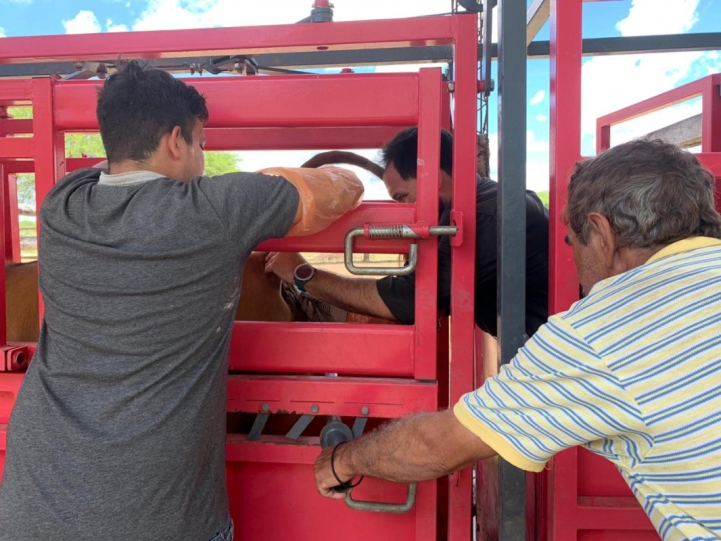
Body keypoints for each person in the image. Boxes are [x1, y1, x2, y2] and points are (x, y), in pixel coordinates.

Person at [0, 62, 363, 541]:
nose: (202, 161)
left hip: (30, 510)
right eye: (201, 145)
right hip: (162, 523)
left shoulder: (62, 207)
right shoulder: (215, 211)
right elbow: (342, 185)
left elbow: (99, 170)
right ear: (176, 141)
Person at [313, 139, 721, 541]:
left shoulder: (595, 336)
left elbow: (441, 442)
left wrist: (341, 461)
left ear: (601, 232)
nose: (574, 259)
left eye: (572, 241)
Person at [265, 127, 549, 338]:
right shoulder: (484, 202)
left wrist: (303, 273)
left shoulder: (490, 217)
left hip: (550, 363)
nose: (403, 210)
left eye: (402, 198)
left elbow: (409, 301)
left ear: (434, 179)